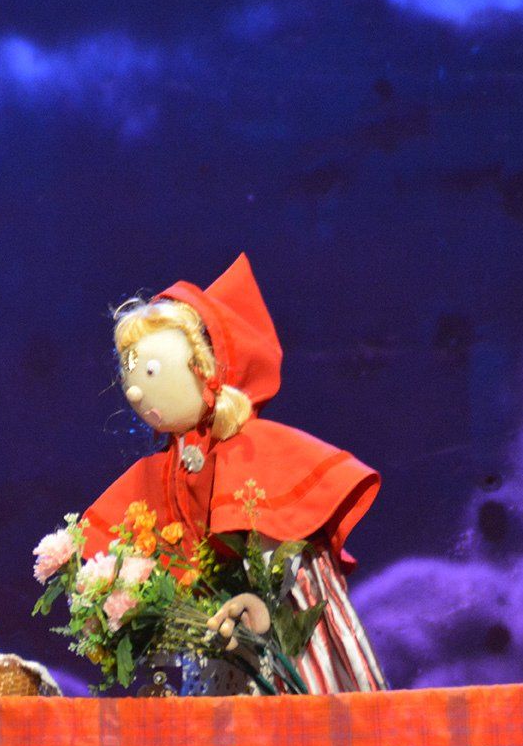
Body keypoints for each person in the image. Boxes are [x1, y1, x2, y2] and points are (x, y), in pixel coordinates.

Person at [82, 253, 387, 693]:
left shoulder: (248, 449)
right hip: (228, 636)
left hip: (287, 621)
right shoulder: (167, 468)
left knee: (308, 708)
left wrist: (262, 598)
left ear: (204, 368)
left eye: (148, 371)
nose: (133, 391)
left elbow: (279, 539)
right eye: (129, 374)